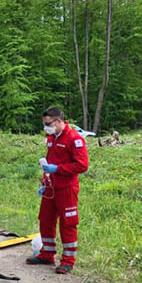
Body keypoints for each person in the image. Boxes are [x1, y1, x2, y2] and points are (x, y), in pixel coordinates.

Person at [26, 107, 89, 274]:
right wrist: (44, 181)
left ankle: (68, 261)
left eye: (48, 124)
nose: (46, 128)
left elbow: (82, 165)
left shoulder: (74, 139)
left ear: (59, 121)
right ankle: (47, 254)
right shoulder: (51, 137)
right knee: (45, 219)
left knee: (68, 224)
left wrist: (58, 169)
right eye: (45, 125)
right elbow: (49, 162)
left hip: (66, 188)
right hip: (50, 187)